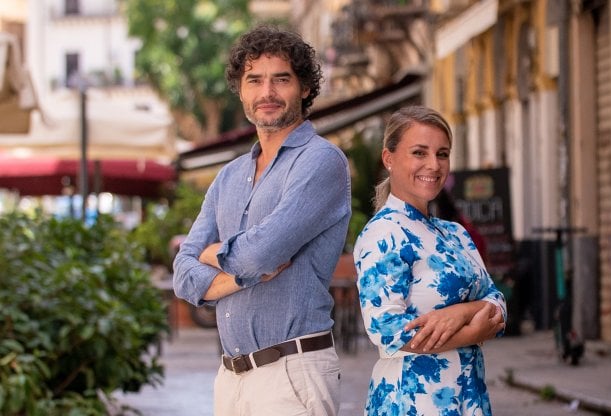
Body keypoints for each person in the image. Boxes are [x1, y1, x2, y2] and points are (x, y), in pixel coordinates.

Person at [172, 25, 351, 416]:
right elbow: (183, 275)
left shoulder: (321, 162)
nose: (266, 92)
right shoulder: (229, 176)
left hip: (291, 373)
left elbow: (260, 254)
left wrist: (212, 253)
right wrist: (239, 278)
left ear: (304, 87)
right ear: (240, 91)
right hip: (230, 378)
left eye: (281, 79)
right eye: (254, 80)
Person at [353, 106, 506, 415]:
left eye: (442, 154)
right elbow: (386, 330)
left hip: (469, 398)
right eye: (419, 153)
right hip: (412, 400)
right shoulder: (384, 233)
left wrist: (461, 312)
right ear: (389, 158)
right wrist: (473, 333)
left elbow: (497, 301)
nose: (434, 165)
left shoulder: (455, 233)